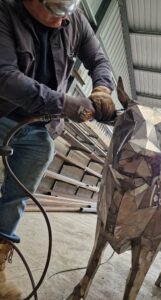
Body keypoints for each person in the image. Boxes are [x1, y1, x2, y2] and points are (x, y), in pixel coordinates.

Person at [0, 0, 115, 298]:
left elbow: (99, 60)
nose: (60, 21)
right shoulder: (5, 12)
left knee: (17, 199)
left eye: (66, 13)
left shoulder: (73, 19)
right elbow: (5, 78)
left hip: (40, 131)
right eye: (54, 12)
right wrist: (63, 103)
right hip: (2, 115)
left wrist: (102, 88)